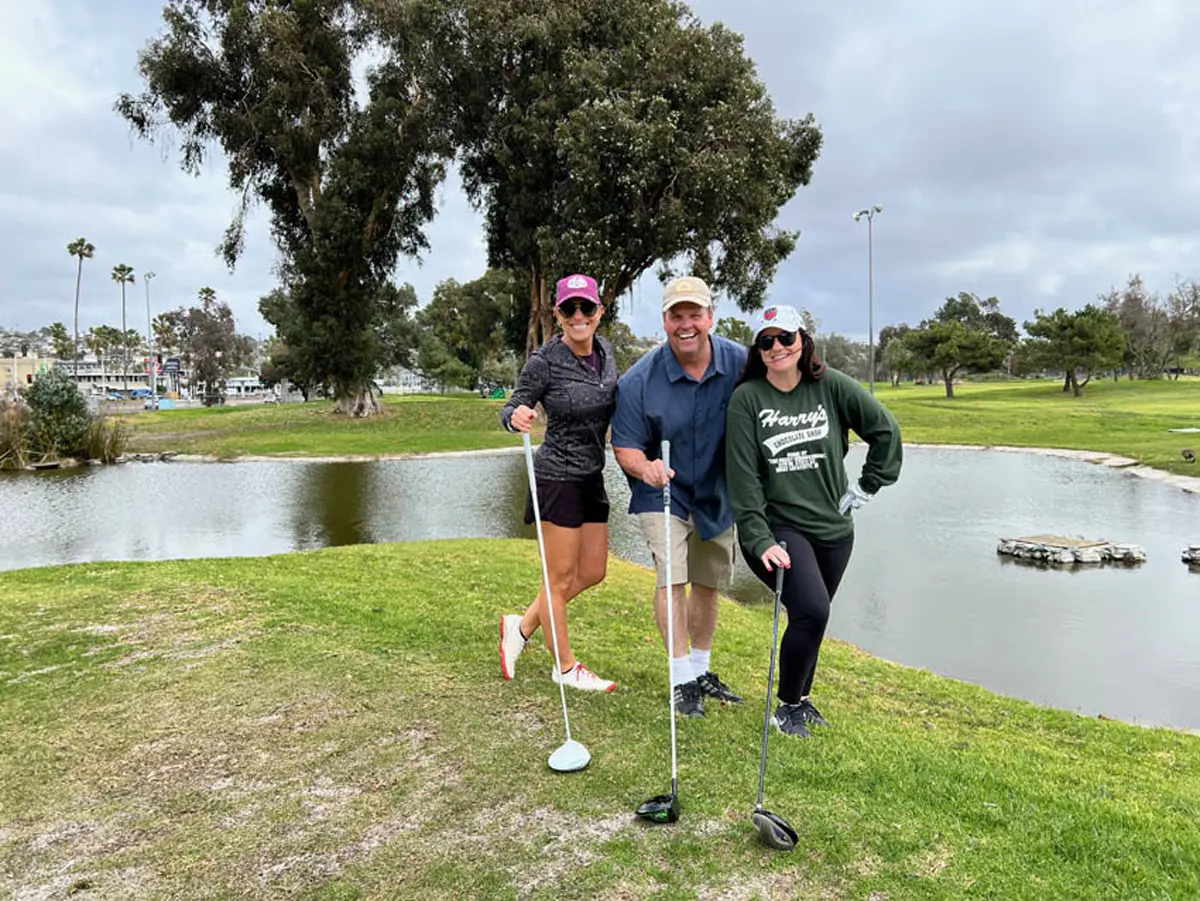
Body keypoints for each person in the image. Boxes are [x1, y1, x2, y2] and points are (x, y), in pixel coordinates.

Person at [725, 303, 903, 737]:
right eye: (767, 341)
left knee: (813, 617)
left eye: (786, 337)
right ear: (759, 350)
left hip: (834, 528)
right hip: (776, 529)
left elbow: (885, 430)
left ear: (803, 341)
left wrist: (868, 484)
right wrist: (757, 536)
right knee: (811, 610)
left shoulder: (831, 386)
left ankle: (801, 700)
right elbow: (743, 476)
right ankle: (785, 707)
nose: (777, 347)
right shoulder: (748, 399)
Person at [611, 275, 748, 718]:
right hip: (662, 490)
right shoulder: (639, 380)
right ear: (665, 320)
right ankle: (679, 678)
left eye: (695, 314)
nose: (686, 324)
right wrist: (644, 467)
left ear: (710, 317)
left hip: (718, 490)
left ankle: (701, 669)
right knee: (671, 579)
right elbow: (625, 446)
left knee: (707, 584)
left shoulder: (742, 363)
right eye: (676, 315)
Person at [498, 274, 620, 692]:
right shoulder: (544, 361)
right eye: (570, 309)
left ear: (600, 312)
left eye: (587, 307)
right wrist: (515, 417)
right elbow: (513, 405)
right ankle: (565, 668)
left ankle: (522, 625)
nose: (579, 316)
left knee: (594, 571)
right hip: (556, 478)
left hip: (591, 476)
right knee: (560, 578)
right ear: (558, 315)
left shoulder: (607, 352)